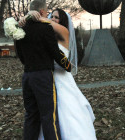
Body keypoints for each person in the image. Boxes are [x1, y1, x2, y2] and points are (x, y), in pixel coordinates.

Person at [20, 6, 97, 140]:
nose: (53, 19)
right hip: (46, 76)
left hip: (61, 78)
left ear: (63, 21)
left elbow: (46, 25)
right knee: (43, 113)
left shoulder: (64, 32)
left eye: (57, 17)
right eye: (52, 16)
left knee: (63, 113)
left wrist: (31, 16)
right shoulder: (45, 32)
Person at [16, 1, 71, 140]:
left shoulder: (20, 28)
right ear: (41, 12)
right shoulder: (45, 28)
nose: (48, 16)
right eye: (47, 13)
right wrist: (68, 66)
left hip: (27, 76)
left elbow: (20, 55)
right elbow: (55, 52)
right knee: (48, 117)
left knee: (31, 116)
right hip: (43, 76)